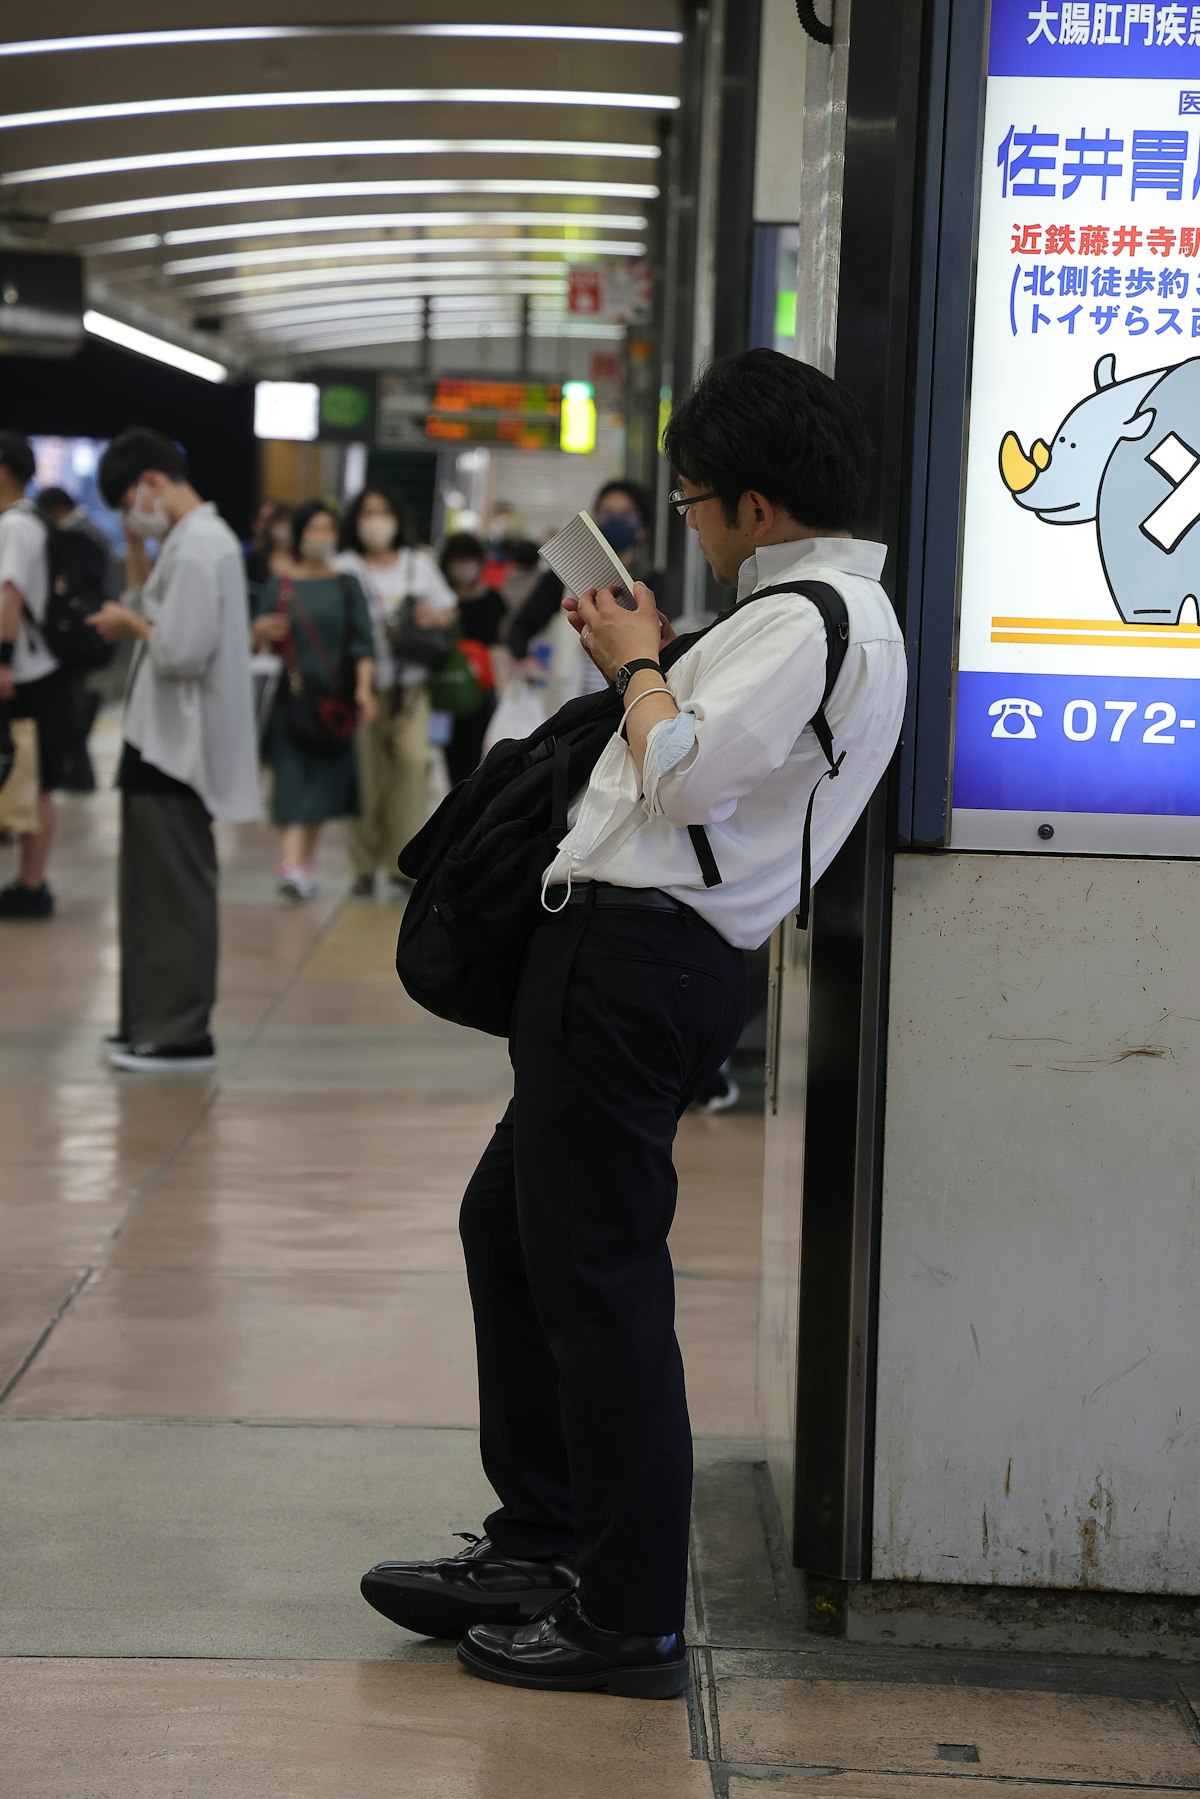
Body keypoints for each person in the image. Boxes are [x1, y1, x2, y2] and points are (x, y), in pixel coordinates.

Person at [359, 348, 908, 1699]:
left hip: (638, 964)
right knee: (517, 1230)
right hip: (615, 960)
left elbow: (687, 776)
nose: (695, 521)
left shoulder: (814, 618)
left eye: (698, 499)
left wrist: (638, 656)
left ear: (759, 508)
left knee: (598, 1277)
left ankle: (626, 1607)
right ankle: (546, 1535)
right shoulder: (798, 614)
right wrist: (657, 653)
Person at [91, 427, 260, 1072]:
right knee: (146, 897)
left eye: (128, 504)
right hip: (156, 742)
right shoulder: (187, 543)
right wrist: (135, 547)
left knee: (174, 897)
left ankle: (181, 1031)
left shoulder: (200, 548)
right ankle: (146, 1022)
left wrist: (129, 625)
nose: (131, 516)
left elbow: (180, 651)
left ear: (151, 484)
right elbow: (146, 602)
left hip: (176, 750)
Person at [333, 484, 456, 898]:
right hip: (359, 688)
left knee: (408, 767)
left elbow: (448, 610)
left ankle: (403, 863)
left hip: (409, 686)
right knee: (365, 776)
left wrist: (431, 618)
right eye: (367, 513)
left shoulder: (415, 564)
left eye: (383, 512)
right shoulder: (344, 565)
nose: (375, 521)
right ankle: (364, 867)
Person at [252, 502, 376, 900]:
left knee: (324, 783)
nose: (321, 536)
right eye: (314, 528)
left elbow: (363, 644)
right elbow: (256, 644)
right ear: (300, 534)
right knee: (289, 779)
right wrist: (259, 630)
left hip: (333, 703)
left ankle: (302, 864)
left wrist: (363, 690)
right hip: (289, 700)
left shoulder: (347, 585)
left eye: (328, 529)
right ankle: (290, 864)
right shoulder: (279, 586)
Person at [0, 432, 74, 919]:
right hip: (34, 669)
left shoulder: (14, 526)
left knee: (31, 777)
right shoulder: (29, 522)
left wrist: (2, 659)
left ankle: (32, 882)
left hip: (24, 672)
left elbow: (11, 595)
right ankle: (31, 880)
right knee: (30, 777)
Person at [507, 479, 665, 666]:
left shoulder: (651, 582)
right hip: (570, 686)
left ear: (643, 528)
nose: (615, 521)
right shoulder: (565, 574)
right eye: (607, 513)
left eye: (626, 515)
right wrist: (525, 660)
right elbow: (521, 627)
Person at [34, 485, 120, 794]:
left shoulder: (81, 535)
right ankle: (78, 773)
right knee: (75, 702)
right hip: (90, 633)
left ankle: (78, 774)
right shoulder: (91, 532)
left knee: (74, 703)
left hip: (84, 634)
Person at [439, 531, 505, 786]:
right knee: (443, 756)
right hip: (442, 686)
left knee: (472, 755)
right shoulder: (438, 600)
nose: (463, 566)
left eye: (468, 559)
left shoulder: (491, 599)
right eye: (457, 559)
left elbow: (498, 643)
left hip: (478, 688)